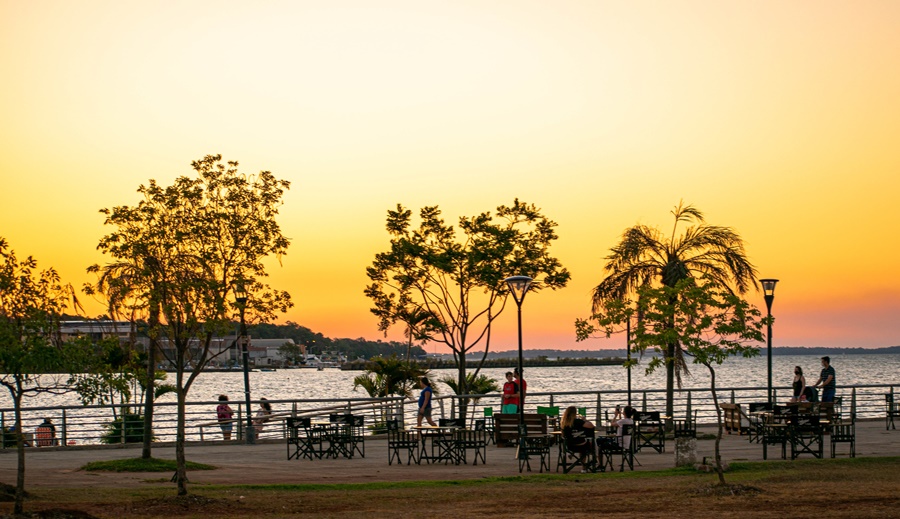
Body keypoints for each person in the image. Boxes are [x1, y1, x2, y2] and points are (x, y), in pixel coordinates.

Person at [561, 406, 596, 472]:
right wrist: (584, 420)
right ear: (575, 413)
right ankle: (584, 467)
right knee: (588, 446)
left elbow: (563, 435)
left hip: (569, 446)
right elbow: (591, 426)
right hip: (582, 445)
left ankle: (571, 453)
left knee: (581, 444)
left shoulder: (564, 423)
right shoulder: (578, 422)